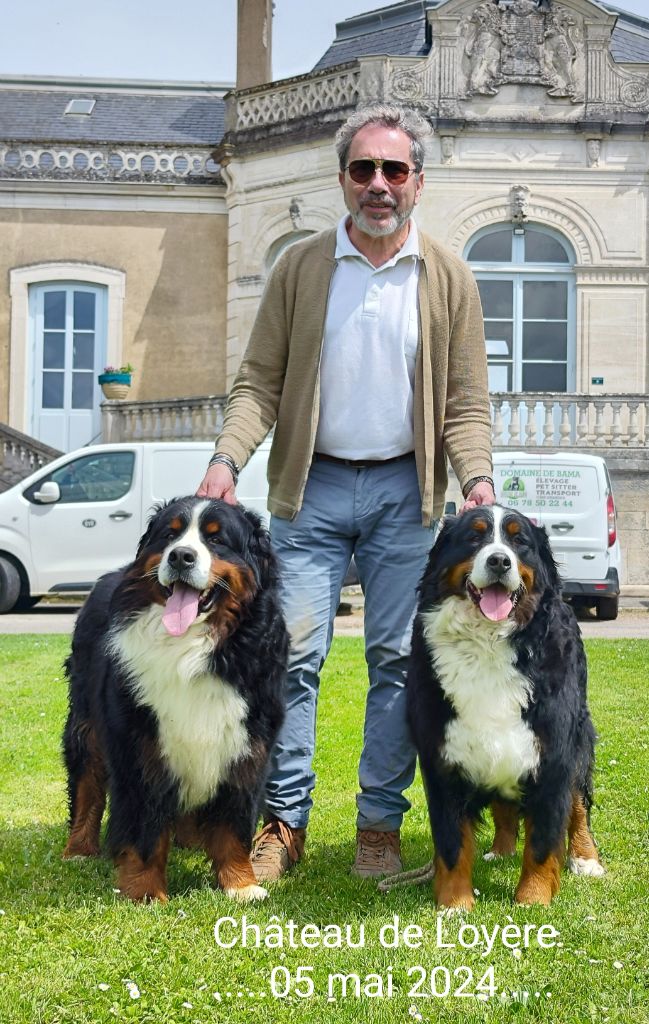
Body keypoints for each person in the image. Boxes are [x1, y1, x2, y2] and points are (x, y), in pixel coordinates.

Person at [197, 104, 495, 880]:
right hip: (312, 488)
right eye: (363, 169)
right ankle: (283, 823)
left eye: (393, 170)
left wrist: (478, 482)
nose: (378, 184)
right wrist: (226, 462)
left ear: (418, 183)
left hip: (406, 492)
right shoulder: (300, 268)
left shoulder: (448, 275)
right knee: (292, 656)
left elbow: (465, 402)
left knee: (396, 659)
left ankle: (378, 829)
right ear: (342, 179)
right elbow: (258, 383)